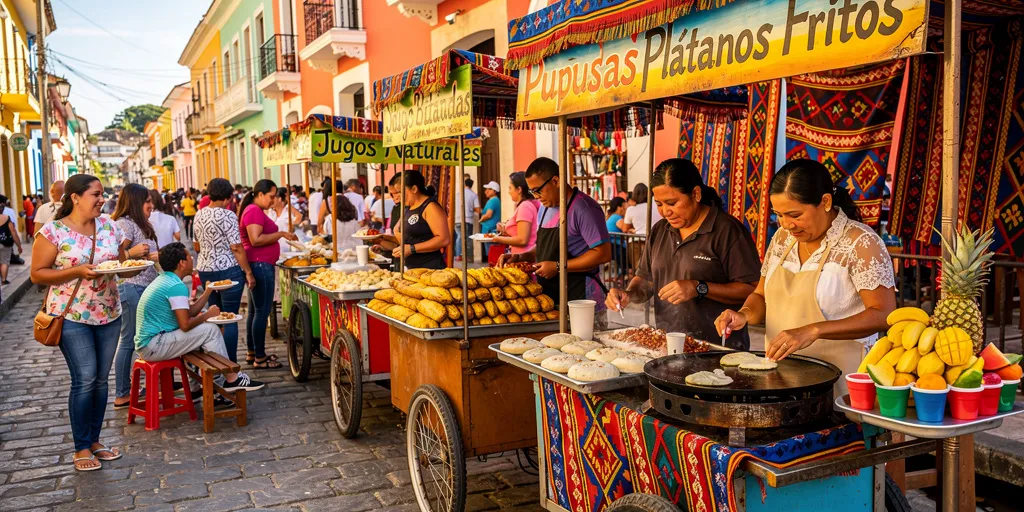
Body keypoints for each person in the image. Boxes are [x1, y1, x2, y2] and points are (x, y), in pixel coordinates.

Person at [715, 159, 896, 394]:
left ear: (825, 202)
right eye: (779, 215)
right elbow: (760, 295)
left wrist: (814, 330)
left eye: (794, 215)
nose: (786, 225)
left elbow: (883, 314)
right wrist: (743, 314)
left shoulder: (861, 243)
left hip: (842, 384)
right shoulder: (782, 239)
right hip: (782, 382)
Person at [30, 174, 135, 472]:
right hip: (71, 315)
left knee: (101, 380)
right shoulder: (53, 232)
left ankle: (95, 440)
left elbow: (121, 267)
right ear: (75, 197)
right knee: (85, 379)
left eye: (102, 194)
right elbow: (37, 273)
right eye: (96, 194)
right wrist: (77, 271)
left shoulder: (110, 226)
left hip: (109, 312)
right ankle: (81, 447)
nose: (102, 199)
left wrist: (137, 264)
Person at [606, 159, 761, 349]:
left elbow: (753, 290)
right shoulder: (660, 230)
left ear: (696, 194)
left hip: (718, 348)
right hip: (669, 345)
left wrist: (699, 287)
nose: (665, 212)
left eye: (672, 203)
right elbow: (646, 280)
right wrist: (628, 294)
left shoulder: (727, 231)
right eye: (659, 204)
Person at [134, 242, 264, 397]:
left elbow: (188, 312)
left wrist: (208, 292)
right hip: (153, 345)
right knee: (211, 330)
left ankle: (199, 387)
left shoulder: (166, 280)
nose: (192, 258)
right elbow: (185, 324)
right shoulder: (176, 286)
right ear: (182, 263)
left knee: (202, 331)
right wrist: (206, 316)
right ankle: (231, 378)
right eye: (189, 256)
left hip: (151, 343)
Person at [500, 157, 612, 331]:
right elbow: (545, 248)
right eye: (532, 192)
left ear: (555, 181)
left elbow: (603, 253)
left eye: (538, 191)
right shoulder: (545, 208)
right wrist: (521, 257)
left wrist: (558, 266)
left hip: (582, 299)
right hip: (551, 299)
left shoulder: (584, 208)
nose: (536, 197)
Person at [193, 178, 255, 364]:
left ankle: (217, 362)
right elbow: (236, 247)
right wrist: (248, 271)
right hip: (228, 269)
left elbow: (196, 246)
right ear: (228, 197)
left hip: (206, 270)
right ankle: (231, 365)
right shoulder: (228, 215)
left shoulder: (199, 214)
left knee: (215, 316)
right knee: (229, 318)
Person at [111, 184, 162, 409]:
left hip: (145, 288)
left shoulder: (140, 224)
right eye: (147, 201)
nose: (151, 205)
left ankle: (140, 385)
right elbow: (114, 257)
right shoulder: (125, 224)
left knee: (139, 339)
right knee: (129, 340)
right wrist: (133, 252)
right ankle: (122, 393)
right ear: (135, 201)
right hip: (132, 288)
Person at [239, 179, 296, 368]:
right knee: (261, 313)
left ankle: (253, 352)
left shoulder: (253, 210)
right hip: (261, 265)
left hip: (258, 264)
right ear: (260, 194)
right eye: (271, 196)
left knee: (254, 311)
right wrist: (280, 234)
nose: (273, 200)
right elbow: (255, 239)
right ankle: (260, 358)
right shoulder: (254, 211)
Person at [373, 170, 450, 269]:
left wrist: (412, 248)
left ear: (414, 189)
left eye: (400, 192)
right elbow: (407, 240)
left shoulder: (430, 207)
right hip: (412, 268)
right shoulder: (408, 207)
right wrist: (382, 239)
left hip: (430, 267)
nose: (397, 196)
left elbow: (443, 239)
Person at [490, 172, 539, 255]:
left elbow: (522, 240)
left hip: (524, 256)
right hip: (519, 255)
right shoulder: (522, 205)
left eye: (510, 188)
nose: (509, 192)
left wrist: (496, 238)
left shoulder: (525, 206)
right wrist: (505, 231)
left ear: (519, 190)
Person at [266, 187, 302, 253]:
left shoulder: (288, 209)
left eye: (273, 198)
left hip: (288, 248)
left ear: (279, 199)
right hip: (274, 248)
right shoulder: (271, 212)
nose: (271, 200)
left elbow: (299, 216)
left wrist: (293, 225)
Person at [454, 177, 480, 261]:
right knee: (468, 238)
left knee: (459, 236)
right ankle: (468, 257)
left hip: (456, 219)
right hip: (467, 219)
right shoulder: (473, 195)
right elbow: (477, 209)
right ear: (471, 185)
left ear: (464, 184)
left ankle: (458, 255)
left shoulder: (458, 194)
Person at [0, 196, 24, 284]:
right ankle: (4, 280)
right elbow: (13, 232)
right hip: (5, 244)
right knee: (5, 261)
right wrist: (19, 246)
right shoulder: (7, 218)